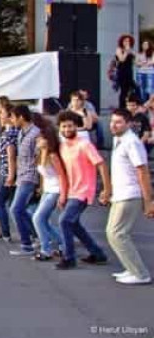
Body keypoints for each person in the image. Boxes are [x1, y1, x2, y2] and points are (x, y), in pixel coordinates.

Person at [55, 111, 111, 270]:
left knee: (65, 221)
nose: (67, 129)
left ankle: (69, 258)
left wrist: (107, 189)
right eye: (64, 126)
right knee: (74, 224)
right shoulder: (63, 146)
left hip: (84, 191)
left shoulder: (84, 144)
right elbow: (64, 173)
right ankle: (98, 254)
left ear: (76, 126)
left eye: (70, 126)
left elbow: (101, 164)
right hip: (71, 191)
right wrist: (63, 194)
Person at [106, 109, 154, 285]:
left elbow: (142, 171)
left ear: (128, 124)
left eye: (118, 122)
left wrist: (148, 201)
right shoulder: (118, 140)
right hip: (119, 194)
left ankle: (140, 274)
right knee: (113, 233)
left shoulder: (132, 142)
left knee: (117, 234)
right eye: (112, 121)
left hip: (130, 194)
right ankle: (131, 268)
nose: (113, 125)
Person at [8, 105, 41, 257]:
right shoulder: (21, 133)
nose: (11, 120)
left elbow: (40, 157)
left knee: (16, 209)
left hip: (30, 176)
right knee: (21, 210)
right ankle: (39, 235)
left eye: (13, 117)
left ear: (21, 117)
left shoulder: (35, 133)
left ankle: (26, 245)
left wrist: (40, 182)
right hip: (22, 176)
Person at [31, 124, 68, 261]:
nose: (37, 140)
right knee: (43, 220)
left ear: (48, 140)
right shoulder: (41, 154)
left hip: (55, 190)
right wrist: (41, 187)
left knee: (37, 218)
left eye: (40, 138)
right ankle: (63, 244)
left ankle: (46, 250)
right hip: (47, 190)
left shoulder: (53, 156)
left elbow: (62, 175)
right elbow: (43, 175)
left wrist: (63, 195)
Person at [0, 101, 18, 241]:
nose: (0, 116)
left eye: (2, 113)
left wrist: (10, 176)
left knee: (0, 202)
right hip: (8, 171)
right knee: (14, 206)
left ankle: (6, 233)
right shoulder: (10, 132)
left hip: (8, 173)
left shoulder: (10, 133)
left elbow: (11, 155)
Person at [116, 34, 136, 109]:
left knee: (133, 89)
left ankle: (131, 106)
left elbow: (135, 61)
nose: (127, 42)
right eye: (125, 41)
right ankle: (122, 107)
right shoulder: (119, 49)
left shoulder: (131, 50)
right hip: (122, 72)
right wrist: (126, 51)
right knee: (123, 91)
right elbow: (122, 59)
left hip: (129, 72)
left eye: (128, 41)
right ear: (122, 42)